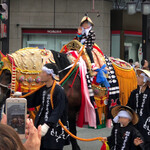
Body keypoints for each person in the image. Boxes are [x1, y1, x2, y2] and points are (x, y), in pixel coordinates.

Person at [25, 63, 69, 150]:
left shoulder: (58, 90)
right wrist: (19, 96)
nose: (40, 74)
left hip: (53, 127)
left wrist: (48, 125)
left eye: (43, 72)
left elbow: (58, 110)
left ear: (49, 75)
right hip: (41, 125)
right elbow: (33, 98)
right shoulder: (43, 88)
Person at [127, 69, 150, 150]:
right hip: (134, 122)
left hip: (146, 124)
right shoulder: (134, 93)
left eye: (140, 77)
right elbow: (129, 107)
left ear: (145, 80)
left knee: (146, 143)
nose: (137, 78)